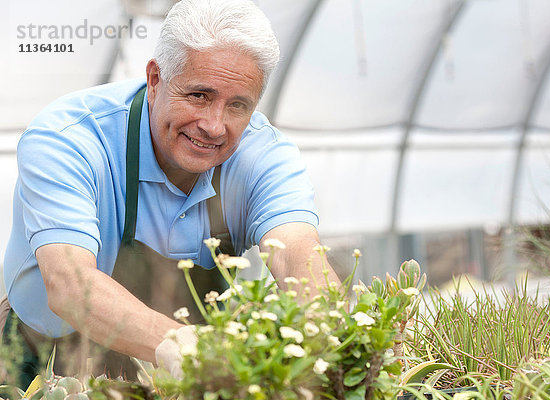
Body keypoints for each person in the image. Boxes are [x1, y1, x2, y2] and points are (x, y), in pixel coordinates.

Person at [1, 0, 340, 385]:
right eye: (199, 95)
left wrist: (338, 332)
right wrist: (185, 349)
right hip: (42, 362)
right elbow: (69, 284)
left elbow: (298, 253)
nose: (214, 126)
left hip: (180, 373)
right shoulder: (69, 139)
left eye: (238, 105)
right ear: (155, 79)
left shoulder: (263, 155)